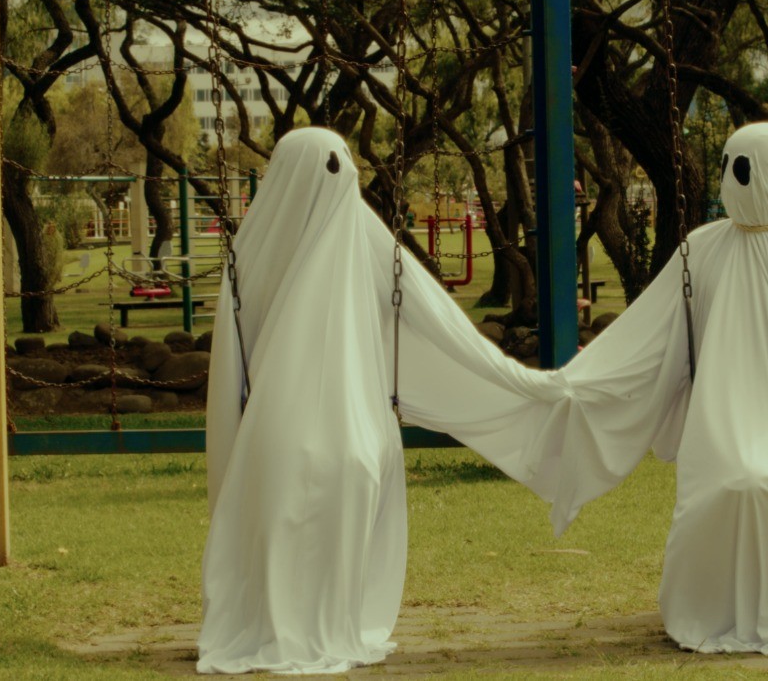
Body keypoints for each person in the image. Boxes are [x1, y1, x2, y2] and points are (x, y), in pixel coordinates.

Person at [197, 127, 571, 675]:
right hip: (352, 435)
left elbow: (231, 366)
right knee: (330, 491)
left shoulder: (260, 249)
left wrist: (520, 382)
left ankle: (288, 622)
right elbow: (442, 327)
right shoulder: (339, 244)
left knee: (297, 503)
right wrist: (524, 383)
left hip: (287, 435)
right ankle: (315, 623)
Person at [544, 122, 768, 654]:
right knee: (739, 482)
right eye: (730, 166)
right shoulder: (703, 249)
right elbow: (646, 335)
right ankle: (719, 606)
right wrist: (579, 384)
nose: (733, 179)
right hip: (722, 425)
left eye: (744, 168)